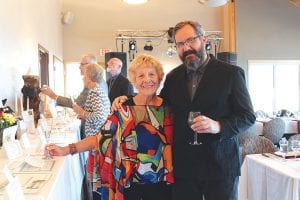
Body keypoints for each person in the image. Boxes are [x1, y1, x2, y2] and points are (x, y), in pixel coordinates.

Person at [112, 21, 256, 200]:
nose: (186, 48)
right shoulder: (174, 77)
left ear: (203, 40)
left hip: (220, 165)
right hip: (184, 167)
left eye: (190, 40)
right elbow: (158, 105)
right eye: (180, 44)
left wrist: (218, 126)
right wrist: (128, 100)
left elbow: (248, 116)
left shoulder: (231, 74)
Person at [45, 54, 174, 200]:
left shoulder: (170, 108)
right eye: (141, 76)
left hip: (162, 183)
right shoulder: (123, 108)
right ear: (134, 81)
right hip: (129, 182)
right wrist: (66, 149)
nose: (147, 80)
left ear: (159, 77)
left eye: (152, 74)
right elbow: (100, 138)